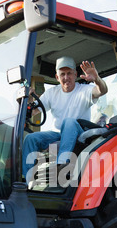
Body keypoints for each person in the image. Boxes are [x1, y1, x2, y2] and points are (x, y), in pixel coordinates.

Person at [22, 56, 108, 184]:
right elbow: (33, 111)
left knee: (69, 122)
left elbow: (102, 91)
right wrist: (28, 100)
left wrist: (97, 80)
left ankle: (61, 165)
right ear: (57, 77)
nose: (66, 78)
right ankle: (25, 181)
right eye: (62, 74)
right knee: (30, 138)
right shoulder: (52, 93)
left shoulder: (84, 90)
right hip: (58, 134)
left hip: (78, 132)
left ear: (75, 75)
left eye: (69, 74)